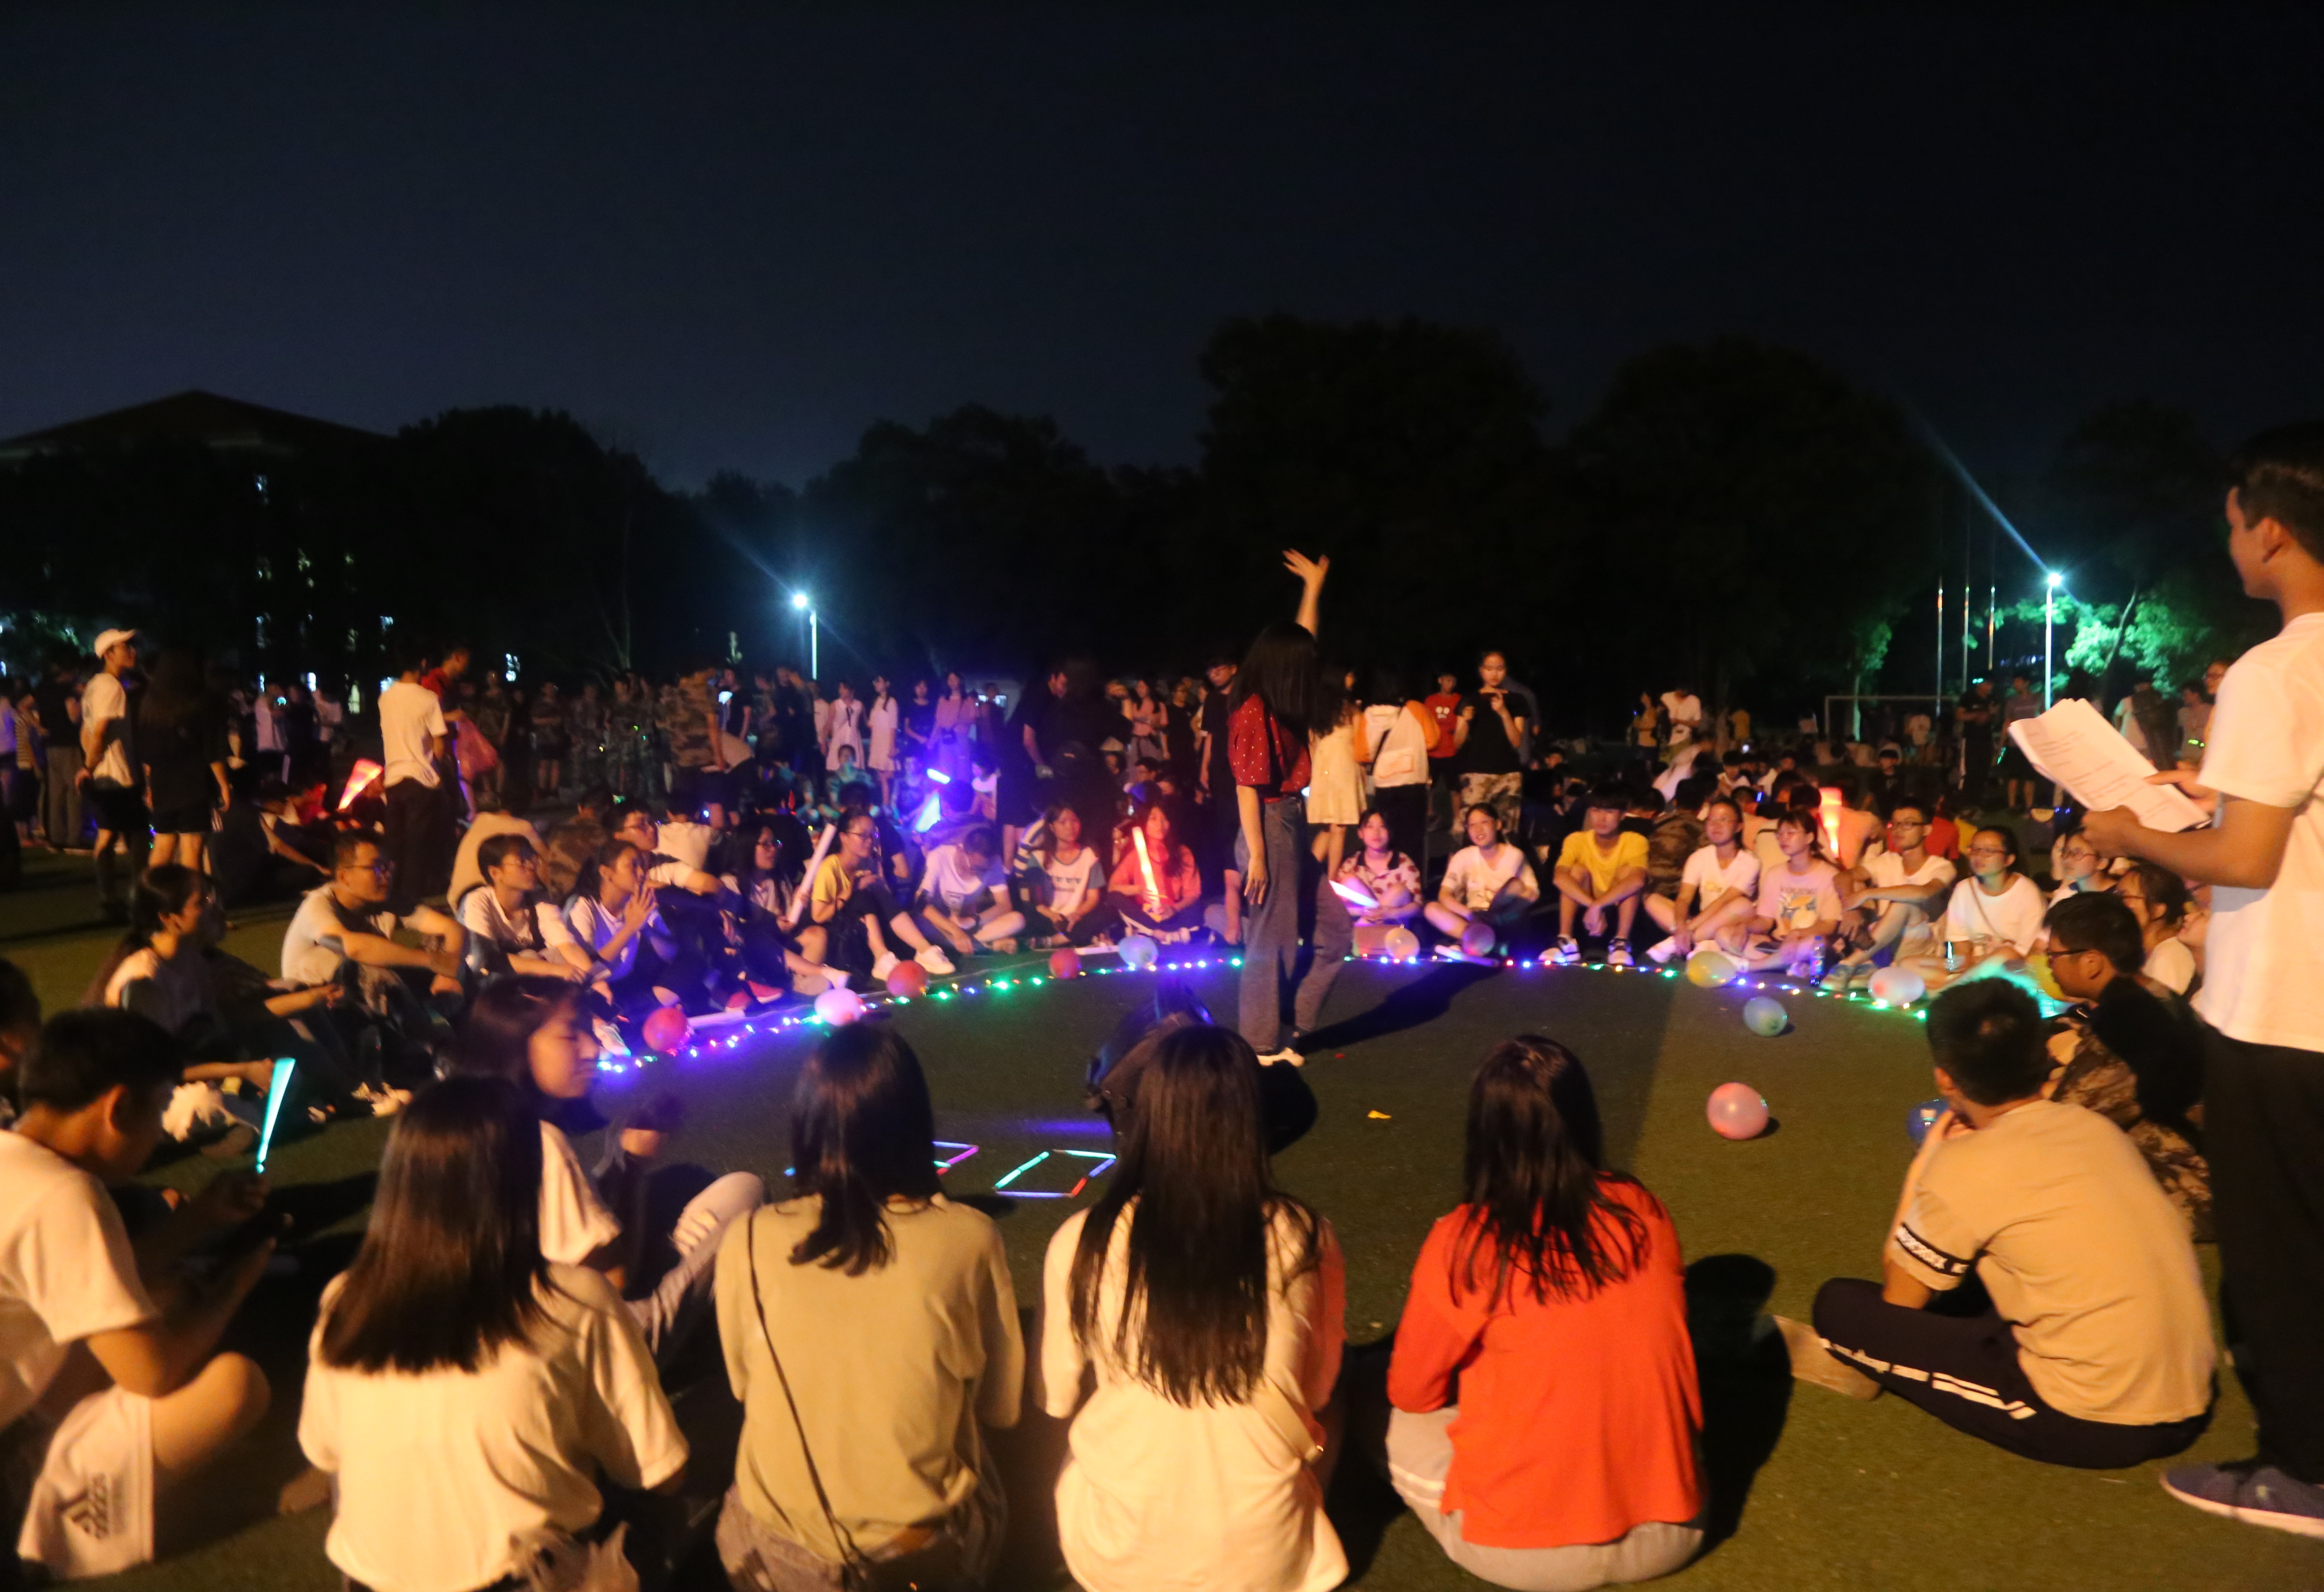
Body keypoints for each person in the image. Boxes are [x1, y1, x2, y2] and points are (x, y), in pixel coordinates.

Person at [2078, 424, 2324, 1532]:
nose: (2228, 543)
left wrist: (2131, 830)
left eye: (2231, 525)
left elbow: (2247, 857)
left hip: (2283, 1008)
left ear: (2268, 533)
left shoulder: (2276, 668)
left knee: (2280, 1247)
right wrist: (2206, 792)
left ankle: (2303, 1470)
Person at [1800, 981, 2214, 1468]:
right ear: (2042, 1057)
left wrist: (1927, 1162)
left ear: (1945, 1080)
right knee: (1990, 1269)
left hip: (2093, 1420)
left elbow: (1899, 1303)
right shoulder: (2094, 1126)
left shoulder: (1965, 1164)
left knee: (1840, 1307)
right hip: (2191, 1392)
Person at [299, 1075, 688, 1592]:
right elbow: (658, 1471)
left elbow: (324, 1451)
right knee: (663, 1492)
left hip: (368, 1581)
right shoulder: (573, 1298)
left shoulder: (346, 1298)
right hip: (523, 1578)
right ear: (527, 1179)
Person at [713, 1025, 1022, 1589]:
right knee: (977, 1457)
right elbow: (1000, 1406)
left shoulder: (747, 1237)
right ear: (914, 1122)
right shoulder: (968, 1236)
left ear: (806, 1125)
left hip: (779, 1549)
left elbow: (740, 1383)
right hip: (915, 1550)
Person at [1386, 1037, 1702, 1588]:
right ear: (1583, 1117)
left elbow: (1412, 1393)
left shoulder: (1464, 1239)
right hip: (1675, 1530)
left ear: (1485, 1131)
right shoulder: (1643, 1209)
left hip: (1526, 1551)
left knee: (1377, 1400)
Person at [1042, 1024, 1345, 1592]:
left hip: (1120, 1561)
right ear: (1250, 1119)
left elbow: (1057, 1395)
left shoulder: (1083, 1237)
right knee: (1337, 1406)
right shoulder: (1304, 1232)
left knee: (1081, 1449)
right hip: (1265, 1566)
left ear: (1146, 1118)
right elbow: (1319, 1389)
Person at [2, 1009, 273, 1581]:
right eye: (160, 1108)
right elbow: (151, 1373)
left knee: (153, 1295)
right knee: (235, 1386)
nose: (158, 1133)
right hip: (9, 1464)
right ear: (119, 1108)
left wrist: (199, 1219)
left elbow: (87, 1281)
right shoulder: (63, 1195)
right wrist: (234, 1286)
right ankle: (54, 1525)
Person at [453, 976, 764, 1361]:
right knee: (744, 1192)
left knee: (677, 1182)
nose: (593, 1048)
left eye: (589, 1031)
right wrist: (633, 1166)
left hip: (505, 1337)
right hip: (594, 1353)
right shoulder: (541, 1143)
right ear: (513, 1048)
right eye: (571, 1035)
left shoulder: (468, 1128)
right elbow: (613, 1286)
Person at [2043, 892, 2211, 1238]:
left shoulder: (2126, 1022)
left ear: (2091, 962)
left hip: (2192, 1188)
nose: (2048, 966)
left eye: (2053, 957)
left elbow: (2063, 1122)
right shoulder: (2149, 993)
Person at [1232, 551, 1339, 1067]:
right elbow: (1246, 788)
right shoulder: (1255, 709)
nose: (1310, 667)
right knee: (1270, 940)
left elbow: (1304, 639)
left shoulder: (1284, 700)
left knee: (1334, 931)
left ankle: (1290, 1025)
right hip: (1268, 826)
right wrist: (1257, 856)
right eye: (1301, 662)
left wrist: (1313, 588)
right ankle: (1258, 1047)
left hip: (1290, 819)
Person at [808, 808, 956, 982]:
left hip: (869, 927)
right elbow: (818, 916)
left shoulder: (869, 861)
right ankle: (882, 957)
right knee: (862, 895)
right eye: (863, 835)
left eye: (873, 835)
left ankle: (923, 949)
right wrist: (851, 890)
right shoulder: (830, 867)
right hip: (842, 937)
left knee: (876, 891)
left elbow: (886, 899)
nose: (870, 841)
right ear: (844, 837)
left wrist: (879, 879)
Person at [1823, 797, 1956, 988]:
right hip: (1883, 945)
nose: (1899, 830)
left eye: (1908, 824)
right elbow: (1843, 877)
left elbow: (1923, 893)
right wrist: (1850, 910)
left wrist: (1869, 893)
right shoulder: (1887, 860)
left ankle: (1849, 963)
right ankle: (1872, 965)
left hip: (1920, 949)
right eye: (1895, 824)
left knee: (1903, 905)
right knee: (1855, 892)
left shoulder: (1941, 867)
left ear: (1926, 830)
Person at [1904, 826, 2045, 990]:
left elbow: (2023, 952)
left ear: (2009, 859)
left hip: (2007, 969)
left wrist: (1984, 962)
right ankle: (1958, 985)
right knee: (1909, 964)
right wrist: (1965, 966)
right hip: (1971, 964)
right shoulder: (1964, 889)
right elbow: (1960, 944)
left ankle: (1944, 990)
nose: (1979, 857)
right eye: (1975, 850)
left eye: (1989, 851)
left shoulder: (2028, 892)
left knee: (2005, 953)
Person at [134, 646, 229, 875]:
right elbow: (212, 750)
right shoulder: (202, 701)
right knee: (192, 848)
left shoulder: (150, 704)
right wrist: (224, 786)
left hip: (162, 783)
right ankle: (191, 895)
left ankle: (152, 894)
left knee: (163, 843)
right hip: (193, 783)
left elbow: (146, 753)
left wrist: (149, 787)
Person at [458, 833, 596, 982]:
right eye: (521, 862)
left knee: (559, 957)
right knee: (531, 957)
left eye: (532, 859)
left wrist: (595, 979)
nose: (531, 867)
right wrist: (555, 970)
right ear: (495, 873)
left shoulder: (541, 902)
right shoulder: (478, 901)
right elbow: (487, 959)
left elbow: (567, 946)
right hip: (487, 983)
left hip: (528, 979)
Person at [377, 653, 457, 912]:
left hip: (393, 777)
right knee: (416, 844)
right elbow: (439, 743)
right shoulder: (428, 698)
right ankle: (409, 901)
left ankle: (386, 894)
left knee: (394, 842)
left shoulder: (385, 698)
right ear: (422, 663)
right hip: (420, 778)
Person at [82, 629, 150, 918]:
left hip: (104, 773)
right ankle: (140, 897)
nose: (132, 651)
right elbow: (100, 731)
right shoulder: (111, 687)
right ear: (108, 654)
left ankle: (109, 898)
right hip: (118, 774)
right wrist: (88, 767)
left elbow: (87, 730)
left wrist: (89, 766)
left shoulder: (95, 685)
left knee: (108, 835)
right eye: (125, 647)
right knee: (138, 836)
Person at [1645, 795, 1759, 964]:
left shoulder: (1750, 861)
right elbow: (1684, 898)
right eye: (1711, 819)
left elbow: (1723, 901)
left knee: (1742, 905)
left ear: (1738, 827)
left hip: (1732, 922)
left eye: (1724, 820)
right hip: (1704, 922)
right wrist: (1681, 926)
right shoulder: (1699, 857)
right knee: (1653, 900)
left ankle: (1678, 943)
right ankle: (1703, 942)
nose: (1716, 825)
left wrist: (1688, 929)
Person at [1732, 809, 1844, 975]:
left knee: (1817, 944)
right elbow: (1765, 921)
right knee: (1725, 933)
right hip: (1780, 942)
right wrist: (1745, 927)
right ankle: (1789, 964)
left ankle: (1756, 965)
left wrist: (1797, 934)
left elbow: (1829, 925)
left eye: (1790, 833)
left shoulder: (1829, 875)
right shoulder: (1775, 874)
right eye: (1780, 834)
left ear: (1809, 838)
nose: (1783, 839)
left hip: (1809, 942)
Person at [1548, 787, 1649, 967]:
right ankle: (1565, 940)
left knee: (1629, 874)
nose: (1602, 819)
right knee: (1575, 871)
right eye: (1596, 811)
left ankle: (1621, 942)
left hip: (1618, 904)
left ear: (1622, 815)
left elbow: (1638, 880)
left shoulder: (1635, 841)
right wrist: (1593, 905)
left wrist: (1599, 905)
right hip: (1585, 903)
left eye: (1609, 812)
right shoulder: (1576, 839)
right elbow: (1559, 878)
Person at [1429, 804, 1540, 954]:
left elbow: (1533, 893)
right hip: (1475, 917)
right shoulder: (1463, 856)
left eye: (1484, 822)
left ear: (1498, 824)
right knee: (1432, 909)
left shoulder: (1515, 855)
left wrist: (1500, 917)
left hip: (1504, 918)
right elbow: (1445, 894)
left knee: (1515, 886)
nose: (1478, 830)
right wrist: (1470, 914)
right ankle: (1488, 944)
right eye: (1473, 825)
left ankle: (1472, 942)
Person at [1358, 667, 1438, 869]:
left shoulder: (1369, 714)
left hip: (1384, 784)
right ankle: (1413, 879)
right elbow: (1433, 741)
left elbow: (1361, 753)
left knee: (1386, 838)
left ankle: (1387, 878)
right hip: (1413, 782)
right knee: (1413, 838)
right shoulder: (1416, 709)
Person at [915, 824, 1029, 956]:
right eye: (971, 865)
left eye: (981, 868)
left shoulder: (993, 862)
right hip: (941, 924)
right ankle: (989, 946)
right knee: (922, 926)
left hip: (967, 923)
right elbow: (921, 903)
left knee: (1018, 920)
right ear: (961, 849)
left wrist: (971, 921)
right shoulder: (939, 857)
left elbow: (1004, 904)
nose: (974, 871)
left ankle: (968, 944)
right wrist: (954, 930)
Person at [1456, 652, 1528, 838]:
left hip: (1508, 774)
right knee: (1472, 830)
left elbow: (1517, 741)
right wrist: (1466, 721)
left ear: (1506, 671)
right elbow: (1457, 742)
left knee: (1508, 832)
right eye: (1489, 669)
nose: (1494, 674)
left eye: (1499, 669)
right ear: (1482, 671)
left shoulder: (1517, 700)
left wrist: (1504, 713)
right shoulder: (1469, 700)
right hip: (1477, 774)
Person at [1331, 809, 1422, 954]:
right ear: (1360, 833)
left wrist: (1391, 913)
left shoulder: (1404, 863)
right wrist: (1364, 912)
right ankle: (1358, 937)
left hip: (1393, 933)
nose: (1376, 832)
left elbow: (1417, 907)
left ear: (1390, 832)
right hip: (1363, 928)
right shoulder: (1351, 864)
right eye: (1370, 827)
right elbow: (1337, 907)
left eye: (1382, 827)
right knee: (1349, 880)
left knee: (1399, 890)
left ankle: (1352, 941)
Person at [1019, 803, 1110, 948]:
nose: (1070, 827)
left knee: (1106, 912)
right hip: (1049, 918)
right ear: (1052, 827)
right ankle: (1075, 938)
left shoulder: (1089, 856)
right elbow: (1036, 902)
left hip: (1076, 918)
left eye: (1074, 821)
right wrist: (1053, 916)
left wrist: (1077, 915)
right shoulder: (1038, 857)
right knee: (1027, 914)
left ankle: (1053, 941)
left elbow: (1093, 898)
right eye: (1063, 823)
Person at [2114, 859, 2198, 995]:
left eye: (2125, 897)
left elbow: (2161, 1007)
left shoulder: (2170, 956)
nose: (2116, 904)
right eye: (2116, 895)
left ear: (2158, 910)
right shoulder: (2142, 952)